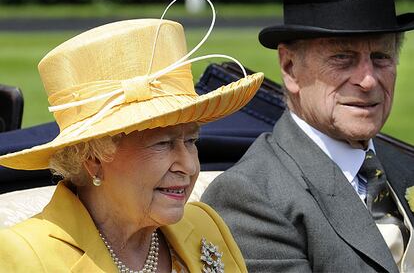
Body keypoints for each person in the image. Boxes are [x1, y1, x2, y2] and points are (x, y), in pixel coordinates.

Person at [0, 14, 264, 272]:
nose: (189, 165)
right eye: (163, 144)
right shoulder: (25, 256)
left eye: (192, 140)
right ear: (93, 158)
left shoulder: (206, 224)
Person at [202, 0, 414, 272]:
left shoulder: (404, 166)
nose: (368, 80)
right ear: (289, 67)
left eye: (380, 56)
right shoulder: (252, 197)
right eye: (343, 57)